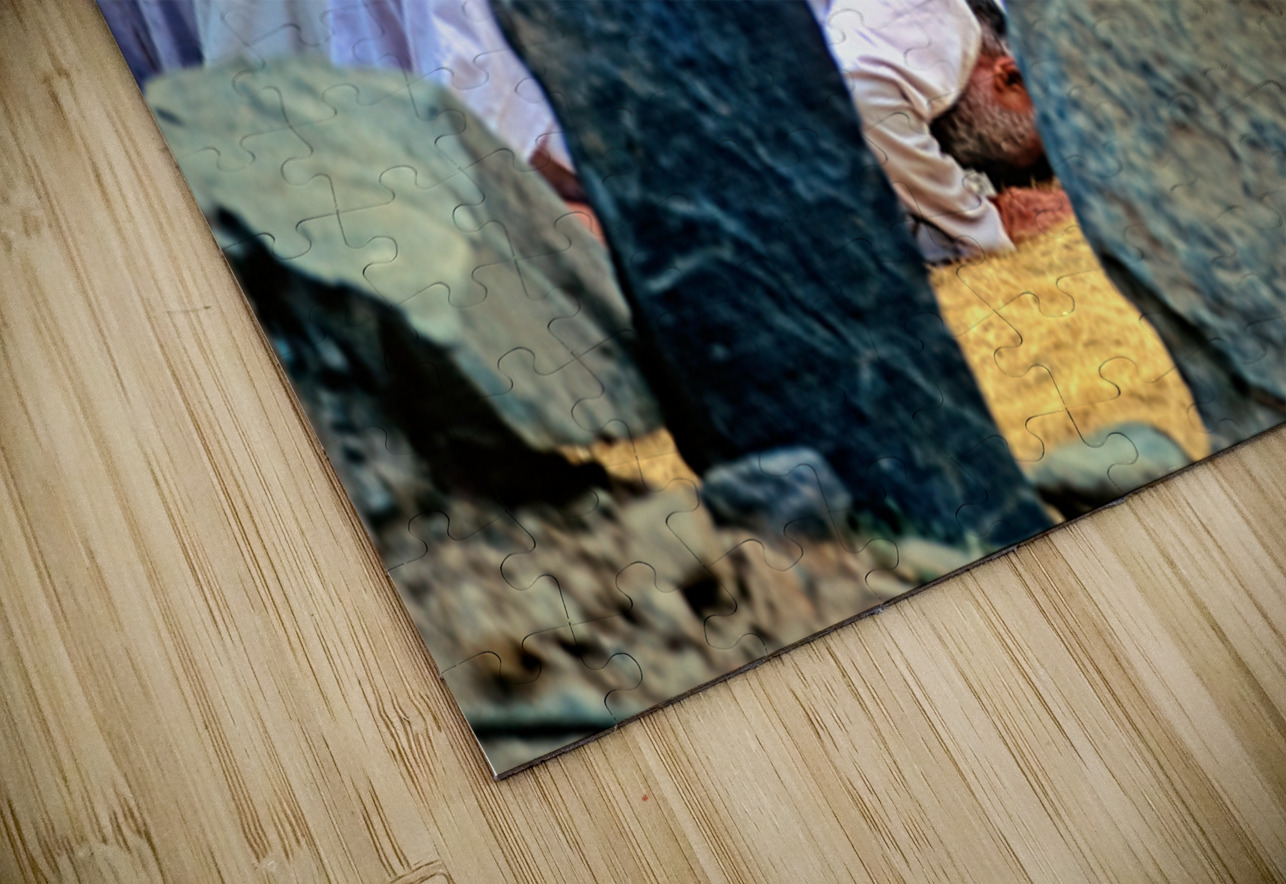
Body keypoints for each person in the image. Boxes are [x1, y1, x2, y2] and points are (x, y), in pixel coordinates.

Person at [810, 0, 1071, 260]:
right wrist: (984, 223)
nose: (982, 171)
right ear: (1011, 76)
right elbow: (857, 89)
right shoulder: (943, 23)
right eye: (1010, 159)